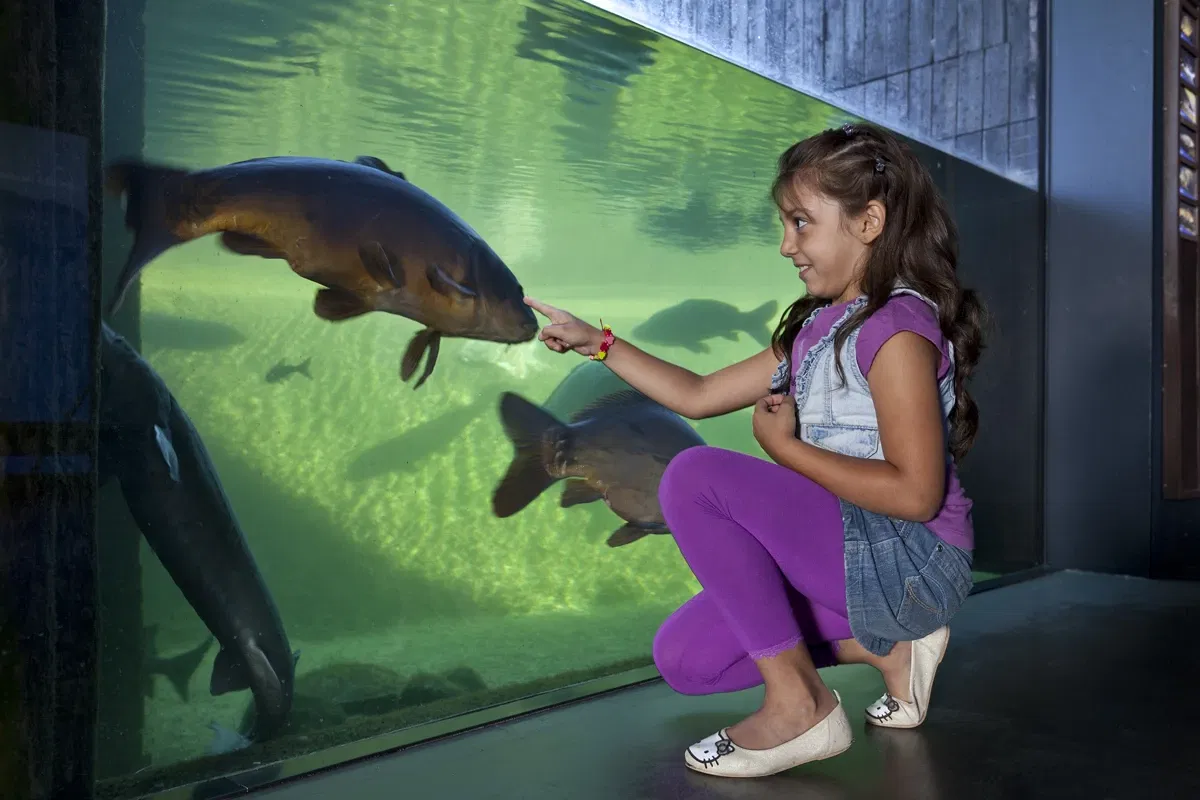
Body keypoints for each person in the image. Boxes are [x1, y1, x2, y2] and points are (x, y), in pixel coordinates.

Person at [523, 121, 985, 779]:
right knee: (686, 659)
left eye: (800, 223)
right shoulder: (817, 332)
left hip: (912, 559)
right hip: (846, 561)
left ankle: (800, 705)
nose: (784, 245)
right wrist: (597, 342)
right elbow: (698, 393)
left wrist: (786, 450)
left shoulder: (896, 331)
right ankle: (893, 651)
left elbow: (916, 495)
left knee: (694, 474)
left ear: (868, 222)